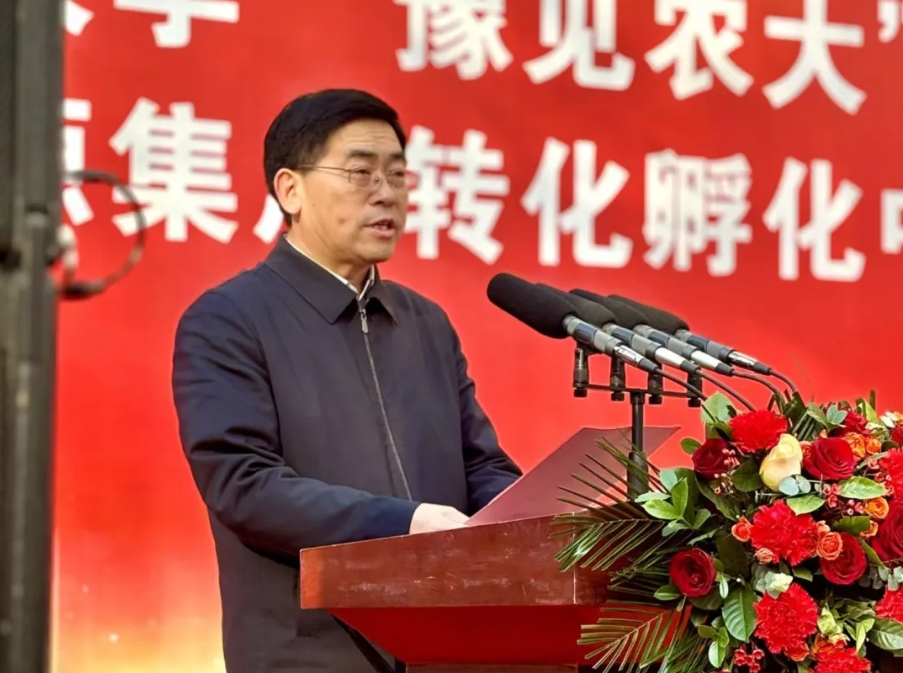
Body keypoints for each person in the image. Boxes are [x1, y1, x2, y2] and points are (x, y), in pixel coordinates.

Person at [171, 89, 521, 673]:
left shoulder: (426, 323)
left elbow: (479, 465)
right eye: (360, 173)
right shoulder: (229, 319)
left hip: (446, 650)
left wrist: (534, 515)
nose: (386, 193)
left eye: (398, 175)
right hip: (309, 653)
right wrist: (402, 523)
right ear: (291, 190)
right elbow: (243, 484)